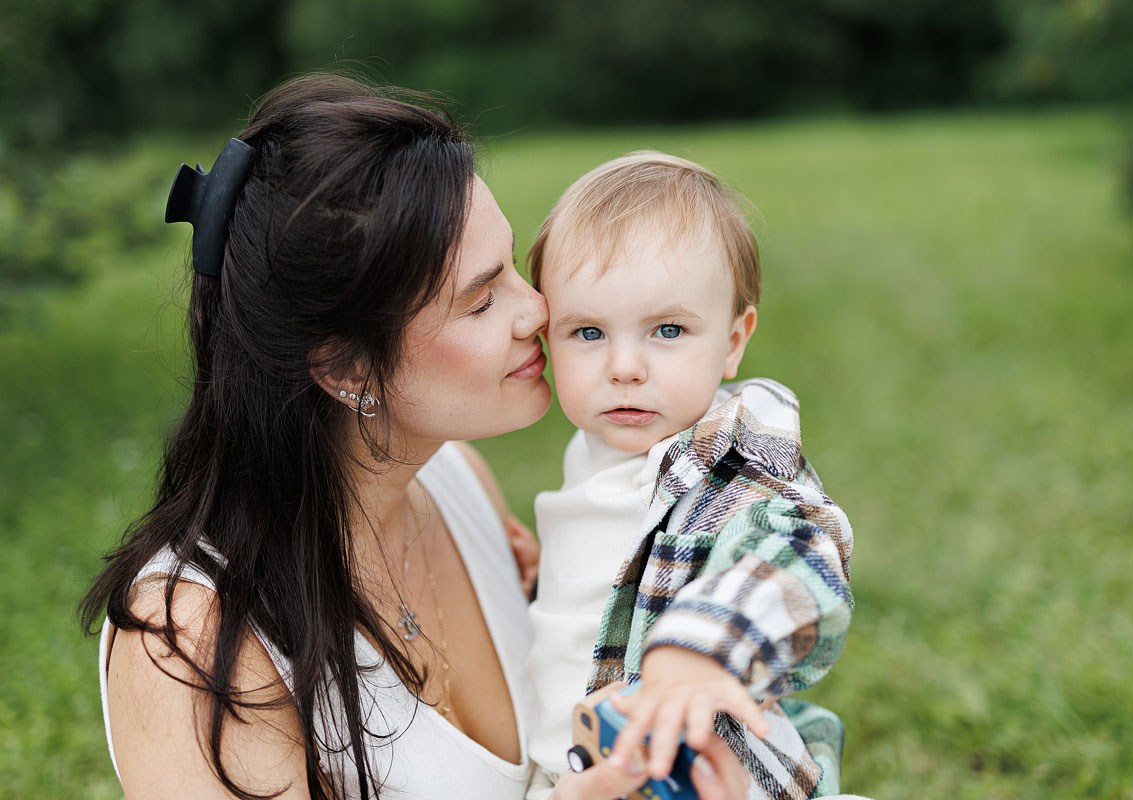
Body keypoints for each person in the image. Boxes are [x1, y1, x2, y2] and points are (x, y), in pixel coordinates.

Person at [80, 76, 752, 800]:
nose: (540, 311)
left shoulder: (458, 481)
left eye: (514, 267)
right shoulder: (193, 646)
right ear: (345, 366)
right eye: (483, 298)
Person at [523, 152, 858, 799]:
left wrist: (696, 652)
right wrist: (537, 575)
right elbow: (611, 576)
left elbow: (799, 548)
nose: (624, 366)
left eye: (668, 329)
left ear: (734, 340)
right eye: (587, 331)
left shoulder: (725, 460)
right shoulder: (596, 453)